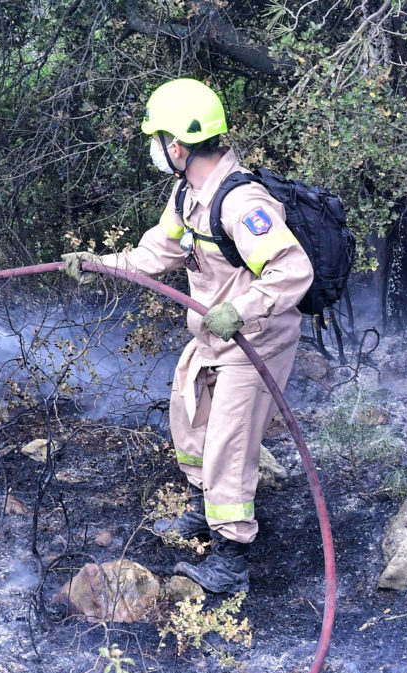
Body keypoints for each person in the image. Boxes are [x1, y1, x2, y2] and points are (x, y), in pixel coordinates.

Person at [62, 78, 313, 593]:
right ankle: (206, 511)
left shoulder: (242, 202)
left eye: (156, 141)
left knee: (228, 441)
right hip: (215, 336)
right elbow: (156, 254)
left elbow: (292, 271)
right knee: (188, 414)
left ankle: (231, 560)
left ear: (176, 146)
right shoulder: (186, 194)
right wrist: (97, 264)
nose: (154, 151)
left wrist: (240, 311)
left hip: (256, 339)